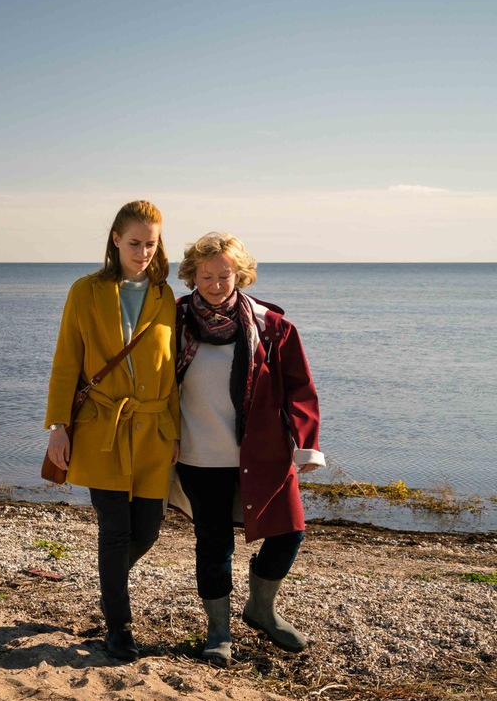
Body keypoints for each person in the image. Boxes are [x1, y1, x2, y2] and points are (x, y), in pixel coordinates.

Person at [170, 232, 324, 663]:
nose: (217, 283)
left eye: (225, 274)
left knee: (289, 531)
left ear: (241, 274)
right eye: (206, 275)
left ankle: (261, 609)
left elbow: (300, 389)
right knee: (214, 543)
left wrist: (305, 444)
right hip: (198, 455)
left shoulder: (272, 327)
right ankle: (218, 630)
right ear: (191, 276)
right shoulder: (173, 322)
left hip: (262, 453)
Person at [45, 200, 179, 662]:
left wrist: (175, 431)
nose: (143, 252)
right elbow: (66, 361)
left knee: (149, 530)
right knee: (115, 532)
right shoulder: (85, 291)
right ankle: (118, 627)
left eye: (152, 244)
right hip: (100, 428)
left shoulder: (167, 298)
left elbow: (174, 372)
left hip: (153, 433)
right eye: (135, 243)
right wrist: (58, 427)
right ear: (116, 241)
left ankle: (108, 591)